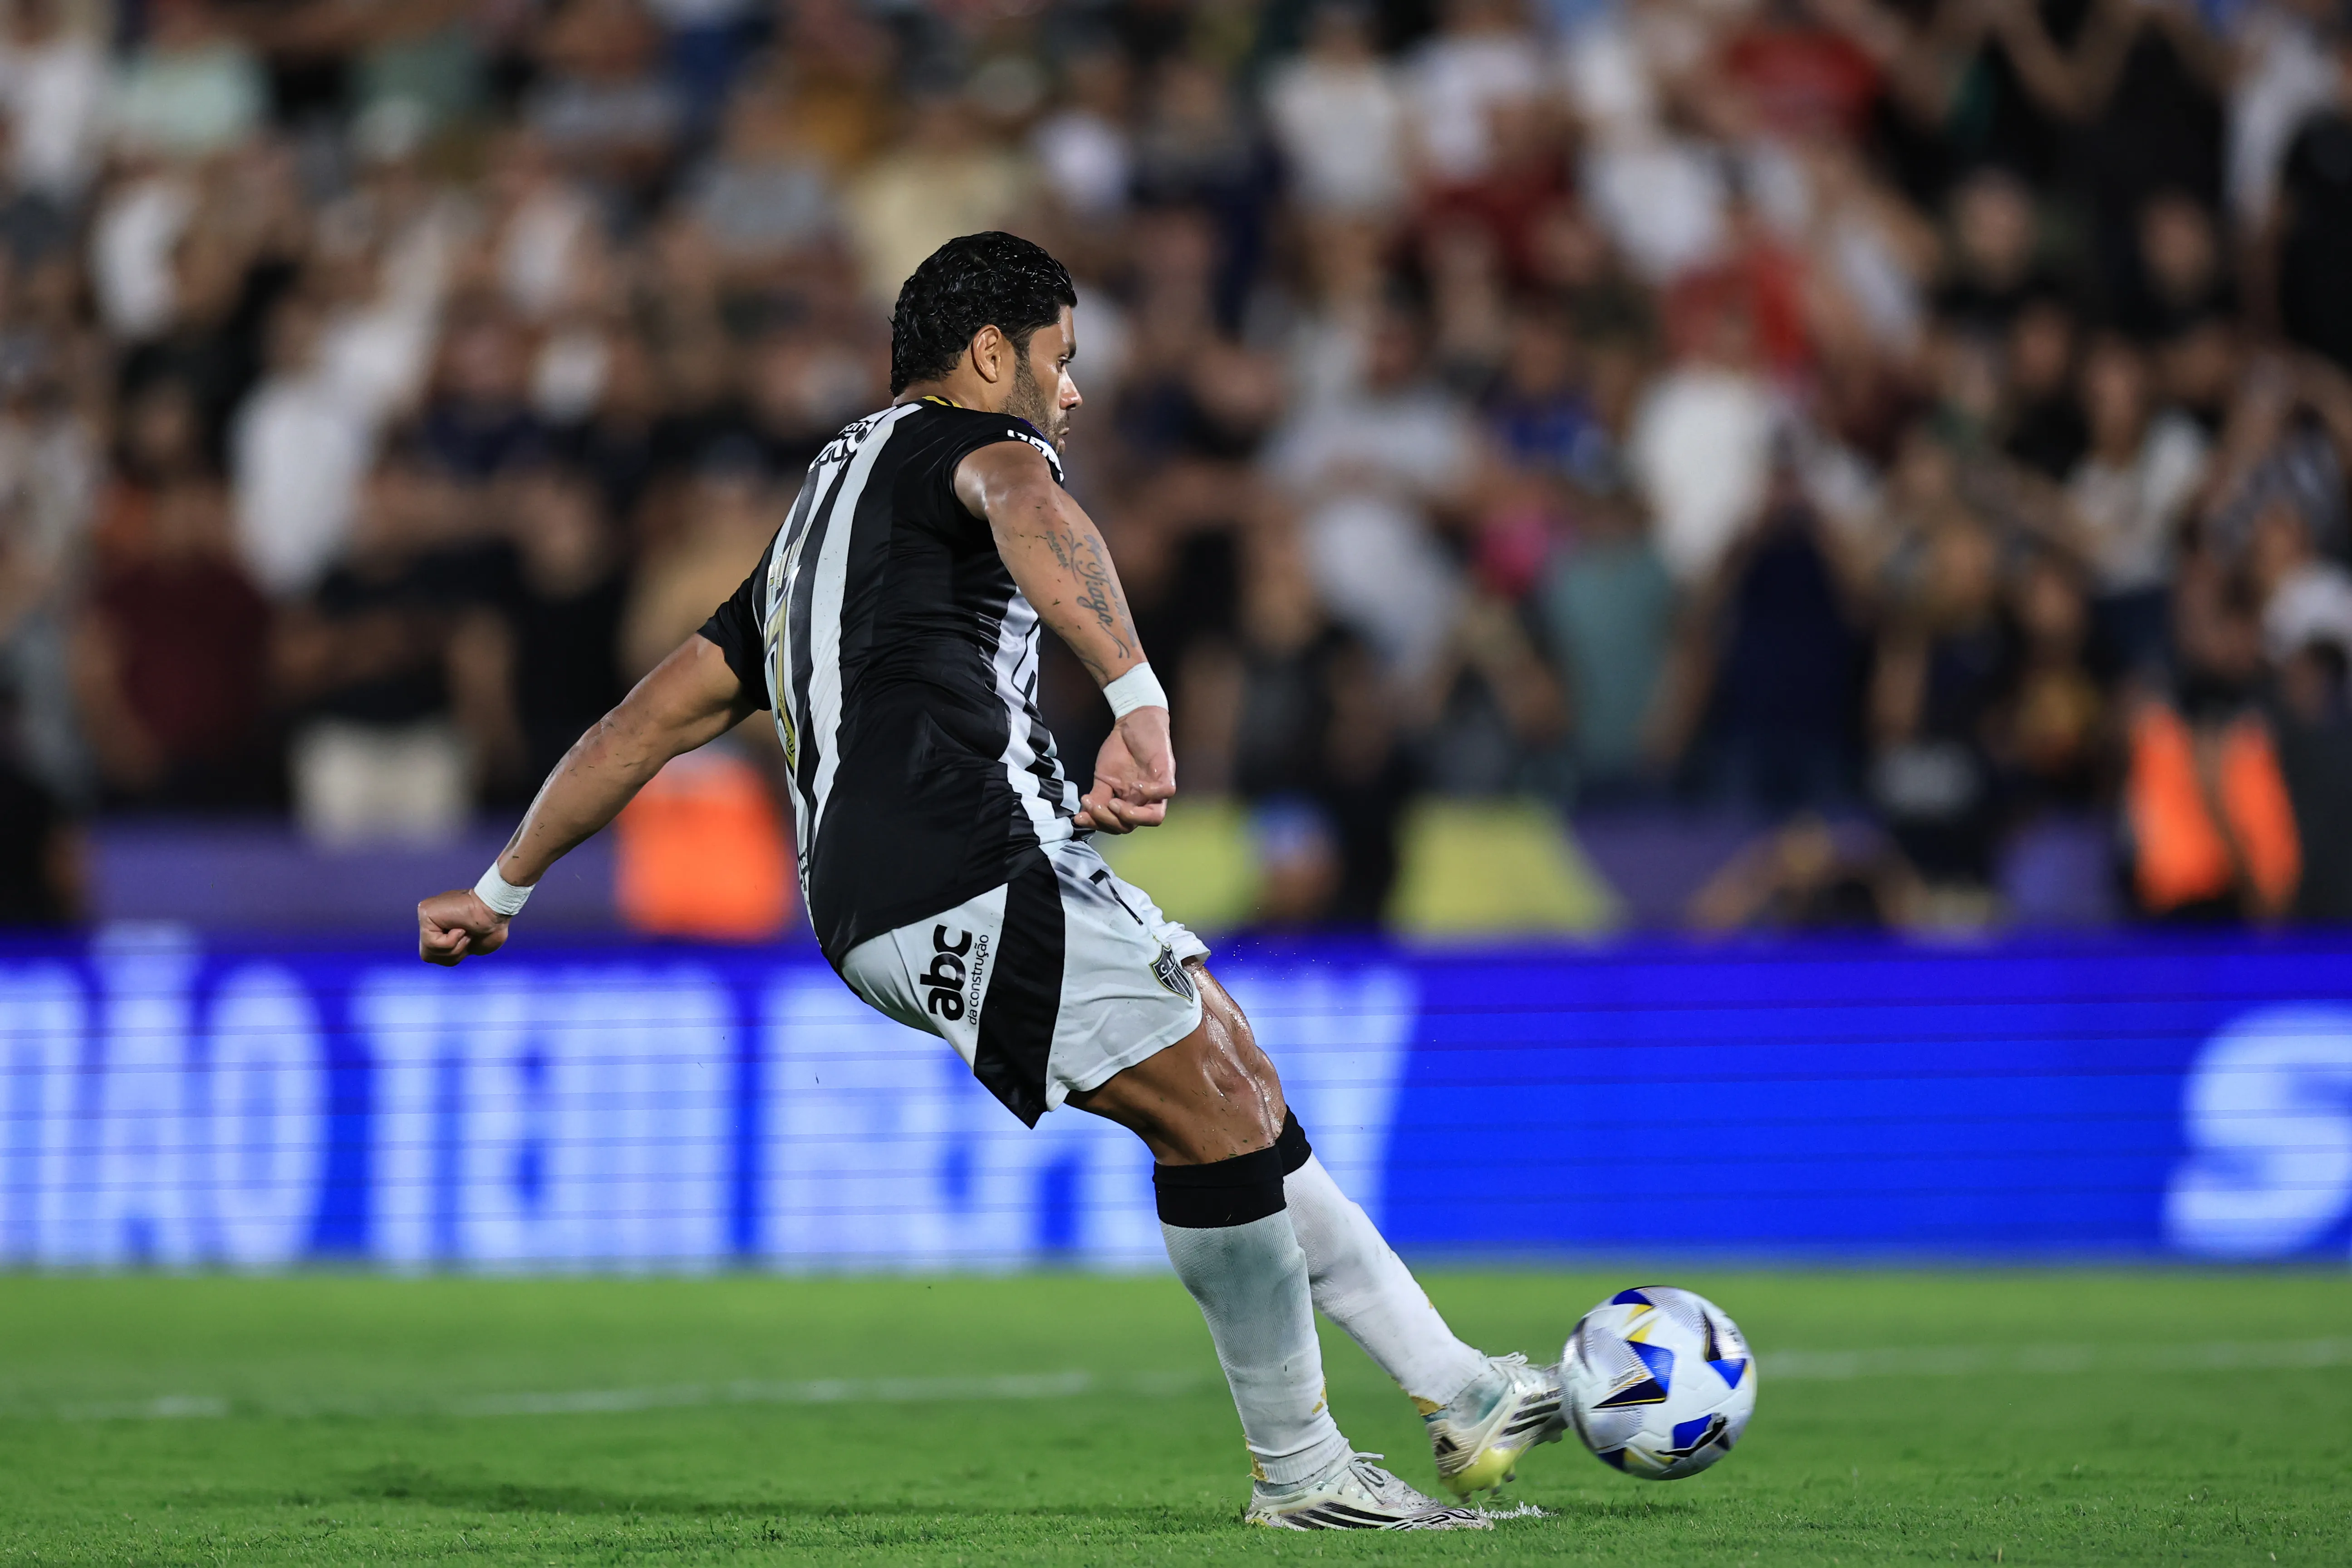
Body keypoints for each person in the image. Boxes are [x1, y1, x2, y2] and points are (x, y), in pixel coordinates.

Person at [414, 233, 1558, 1531]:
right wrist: (1139, 700)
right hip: (965, 858)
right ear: (988, 354)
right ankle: (1302, 1473)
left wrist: (502, 887)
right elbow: (1034, 508)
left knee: (1230, 1068)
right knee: (1212, 1110)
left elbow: (644, 721)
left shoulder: (818, 526)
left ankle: (1458, 1387)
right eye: (1059, 362)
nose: (1068, 394)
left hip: (882, 896)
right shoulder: (975, 451)